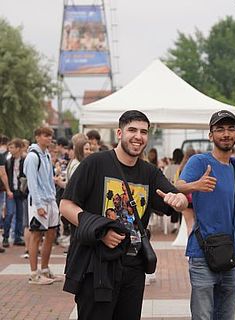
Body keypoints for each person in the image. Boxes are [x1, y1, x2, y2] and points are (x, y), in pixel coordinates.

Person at [59, 110, 188, 320]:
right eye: (132, 130)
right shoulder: (95, 163)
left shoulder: (150, 172)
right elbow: (66, 205)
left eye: (144, 132)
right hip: (96, 267)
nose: (138, 136)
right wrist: (99, 231)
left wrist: (180, 201)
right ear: (119, 133)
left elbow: (174, 196)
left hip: (134, 268)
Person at [176, 110, 235, 320]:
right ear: (211, 135)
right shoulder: (199, 162)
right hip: (202, 253)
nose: (226, 134)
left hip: (229, 253)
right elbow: (177, 186)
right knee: (203, 317)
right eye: (220, 129)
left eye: (230, 129)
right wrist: (195, 185)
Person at [23, 127, 62, 285]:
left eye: (50, 136)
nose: (49, 139)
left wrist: (53, 198)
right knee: (36, 235)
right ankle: (34, 273)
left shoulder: (46, 154)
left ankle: (44, 269)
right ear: (37, 137)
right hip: (39, 201)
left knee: (51, 234)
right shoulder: (32, 157)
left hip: (50, 200)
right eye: (45, 136)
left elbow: (47, 178)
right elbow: (32, 182)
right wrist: (39, 205)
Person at [3, 139, 26, 247]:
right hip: (11, 191)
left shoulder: (24, 160)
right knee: (10, 213)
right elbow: (5, 175)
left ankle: (17, 237)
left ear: (18, 148)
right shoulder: (8, 161)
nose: (10, 150)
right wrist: (7, 189)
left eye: (12, 147)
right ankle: (6, 236)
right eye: (10, 147)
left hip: (20, 191)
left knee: (20, 215)